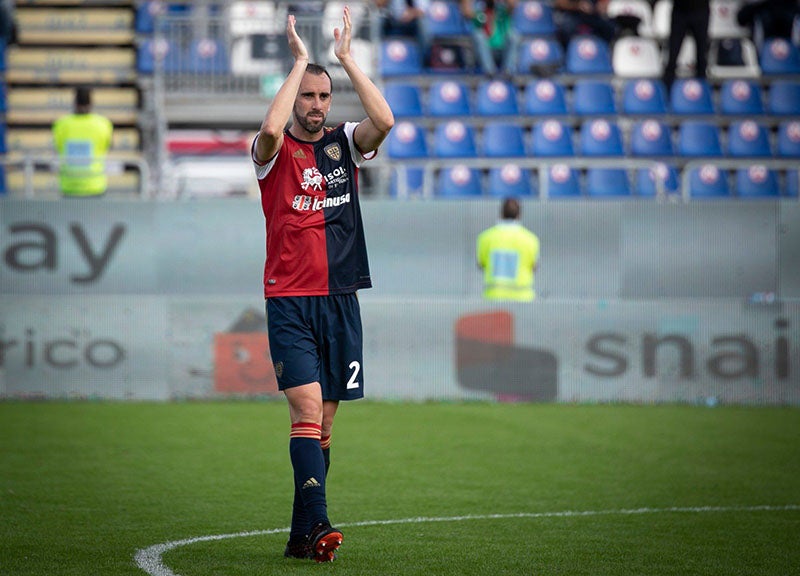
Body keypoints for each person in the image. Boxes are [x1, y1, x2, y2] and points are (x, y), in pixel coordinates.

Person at [251, 7, 394, 563]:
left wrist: (347, 61)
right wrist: (301, 63)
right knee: (307, 408)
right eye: (307, 96)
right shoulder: (273, 155)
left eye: (322, 97)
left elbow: (384, 121)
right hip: (289, 300)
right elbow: (268, 128)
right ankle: (319, 523)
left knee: (324, 422)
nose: (314, 105)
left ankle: (298, 536)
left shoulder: (343, 146)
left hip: (341, 300)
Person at [52, 87, 114, 197]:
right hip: (94, 185)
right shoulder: (103, 124)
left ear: (74, 102)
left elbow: (58, 147)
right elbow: (108, 146)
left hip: (69, 186)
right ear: (91, 102)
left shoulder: (61, 124)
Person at [476, 197, 540, 302]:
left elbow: (481, 264)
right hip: (523, 297)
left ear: (501, 213)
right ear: (519, 215)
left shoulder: (485, 237)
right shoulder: (531, 239)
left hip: (494, 296)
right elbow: (534, 266)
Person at [459, 0, 519, 76]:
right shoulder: (479, 12)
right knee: (478, 35)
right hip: (484, 52)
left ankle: (508, 72)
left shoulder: (502, 9)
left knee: (514, 35)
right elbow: (466, 11)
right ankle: (490, 73)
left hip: (502, 51)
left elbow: (513, 5)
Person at [662, 0, 710, 92]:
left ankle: (702, 94)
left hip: (701, 10)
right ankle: (666, 94)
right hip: (680, 11)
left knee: (701, 57)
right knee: (672, 56)